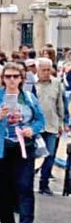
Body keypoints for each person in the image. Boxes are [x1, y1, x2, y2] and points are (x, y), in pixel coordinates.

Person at [0, 63, 45, 223]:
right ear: (2, 79)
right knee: (4, 187)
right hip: (1, 148)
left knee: (25, 186)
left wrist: (31, 130)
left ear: (21, 79)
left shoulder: (29, 98)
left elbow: (39, 120)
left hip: (24, 148)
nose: (11, 80)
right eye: (8, 76)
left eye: (15, 77)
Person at [33, 57, 66, 196]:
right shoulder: (32, 84)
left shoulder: (57, 83)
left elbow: (60, 104)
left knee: (50, 155)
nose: (46, 72)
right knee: (31, 155)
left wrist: (61, 123)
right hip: (35, 126)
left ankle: (44, 183)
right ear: (37, 70)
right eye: (43, 70)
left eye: (48, 69)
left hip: (51, 125)